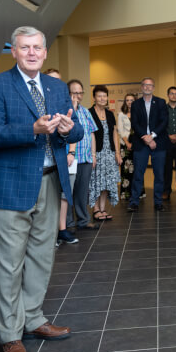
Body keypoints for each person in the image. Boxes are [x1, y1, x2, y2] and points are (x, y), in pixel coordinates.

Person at [0, 26, 84, 352]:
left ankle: (33, 319)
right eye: (25, 48)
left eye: (37, 47)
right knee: (10, 263)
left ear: (45, 52)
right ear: (14, 52)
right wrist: (32, 130)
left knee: (42, 256)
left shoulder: (55, 86)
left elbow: (76, 128)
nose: (32, 53)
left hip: (51, 183)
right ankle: (10, 334)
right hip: (11, 187)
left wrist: (69, 130)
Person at [44, 69, 76, 242]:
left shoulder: (64, 103)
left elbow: (76, 131)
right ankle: (51, 233)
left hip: (63, 158)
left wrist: (71, 152)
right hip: (43, 164)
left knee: (63, 195)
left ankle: (61, 229)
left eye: (59, 80)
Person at [128, 77, 168, 212]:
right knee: (138, 174)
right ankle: (134, 202)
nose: (147, 87)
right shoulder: (135, 104)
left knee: (159, 175)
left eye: (150, 85)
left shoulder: (161, 103)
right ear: (141, 87)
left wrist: (152, 136)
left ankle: (158, 202)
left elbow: (164, 122)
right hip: (140, 143)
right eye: (145, 85)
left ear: (153, 88)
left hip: (158, 143)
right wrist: (145, 138)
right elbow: (134, 123)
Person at [65, 79, 97, 240]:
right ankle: (69, 223)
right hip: (71, 158)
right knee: (68, 192)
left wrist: (94, 155)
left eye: (80, 92)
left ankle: (83, 220)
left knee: (82, 192)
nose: (77, 95)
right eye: (74, 92)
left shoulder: (86, 112)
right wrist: (72, 107)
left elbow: (92, 133)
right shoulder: (65, 112)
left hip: (85, 158)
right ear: (68, 93)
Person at [88, 85, 121, 220]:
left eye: (104, 96)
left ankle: (102, 208)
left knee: (106, 182)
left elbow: (114, 134)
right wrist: (93, 155)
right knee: (96, 181)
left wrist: (117, 153)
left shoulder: (110, 114)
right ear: (94, 98)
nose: (102, 98)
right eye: (99, 96)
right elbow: (90, 135)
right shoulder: (89, 112)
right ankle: (95, 209)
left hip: (109, 152)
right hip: (96, 152)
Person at [117, 93, 136, 201]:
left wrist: (134, 143)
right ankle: (126, 193)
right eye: (127, 100)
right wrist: (128, 143)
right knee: (126, 170)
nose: (129, 102)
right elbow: (120, 130)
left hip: (137, 144)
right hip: (125, 145)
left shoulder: (138, 113)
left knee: (136, 169)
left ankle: (137, 193)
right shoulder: (121, 115)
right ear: (125, 102)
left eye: (132, 100)